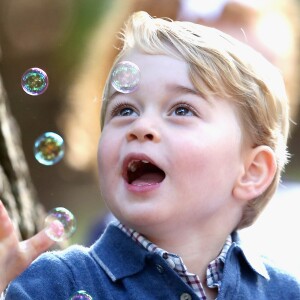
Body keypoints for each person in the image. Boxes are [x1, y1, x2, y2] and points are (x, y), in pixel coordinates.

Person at [2, 11, 300, 299]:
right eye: (125, 110)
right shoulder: (54, 285)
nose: (140, 126)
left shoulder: (285, 292)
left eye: (182, 109)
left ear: (251, 171)